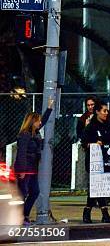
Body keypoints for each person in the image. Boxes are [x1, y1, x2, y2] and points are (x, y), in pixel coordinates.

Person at [14, 96, 54, 225]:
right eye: (37, 121)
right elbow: (21, 153)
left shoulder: (34, 132)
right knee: (22, 194)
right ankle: (18, 217)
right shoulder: (25, 134)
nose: (39, 123)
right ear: (32, 122)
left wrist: (49, 108)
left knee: (34, 192)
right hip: (25, 169)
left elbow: (44, 121)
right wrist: (21, 170)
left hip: (33, 169)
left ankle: (24, 215)